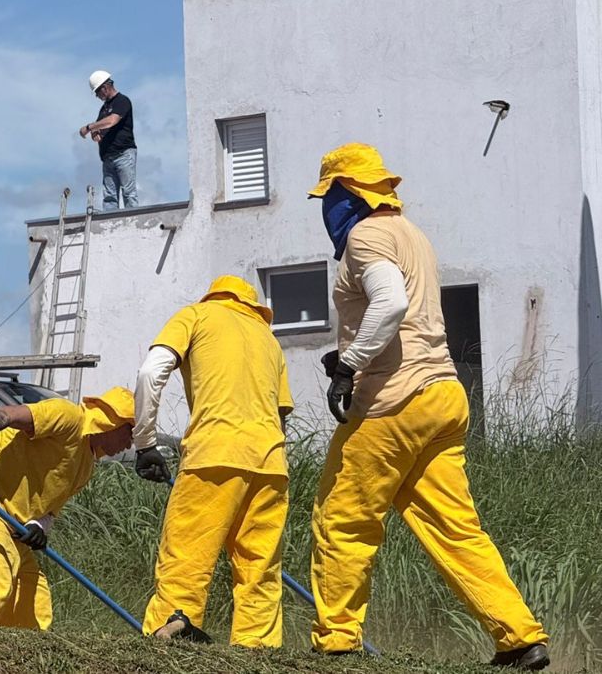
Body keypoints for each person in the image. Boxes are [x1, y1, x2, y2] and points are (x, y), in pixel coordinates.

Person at [307, 143, 549, 669]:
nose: (324, 207)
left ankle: (337, 644)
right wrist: (349, 351)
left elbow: (391, 302)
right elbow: (406, 315)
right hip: (443, 396)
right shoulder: (413, 235)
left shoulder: (366, 236)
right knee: (455, 528)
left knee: (341, 518)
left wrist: (350, 365)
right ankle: (520, 637)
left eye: (326, 195)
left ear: (345, 193)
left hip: (393, 403)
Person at [131, 275, 293, 646]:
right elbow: (282, 416)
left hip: (212, 457)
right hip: (271, 465)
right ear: (253, 305)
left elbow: (150, 372)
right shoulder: (269, 339)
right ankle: (259, 652)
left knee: (186, 559)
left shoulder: (196, 315)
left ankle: (168, 637)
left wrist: (145, 444)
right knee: (260, 571)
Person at [0, 386, 135, 630]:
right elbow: (6, 415)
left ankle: (22, 656)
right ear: (113, 421)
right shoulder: (68, 416)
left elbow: (49, 509)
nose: (130, 442)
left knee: (32, 591)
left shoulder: (86, 465)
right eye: (130, 432)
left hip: (9, 518)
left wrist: (38, 526)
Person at [79, 70, 137, 211]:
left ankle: (133, 222)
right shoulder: (104, 109)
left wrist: (89, 127)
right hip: (108, 157)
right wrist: (95, 134)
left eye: (97, 93)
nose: (97, 97)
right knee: (109, 196)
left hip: (123, 154)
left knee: (128, 193)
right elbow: (99, 129)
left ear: (104, 88)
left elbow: (112, 120)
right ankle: (110, 225)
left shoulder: (122, 101)